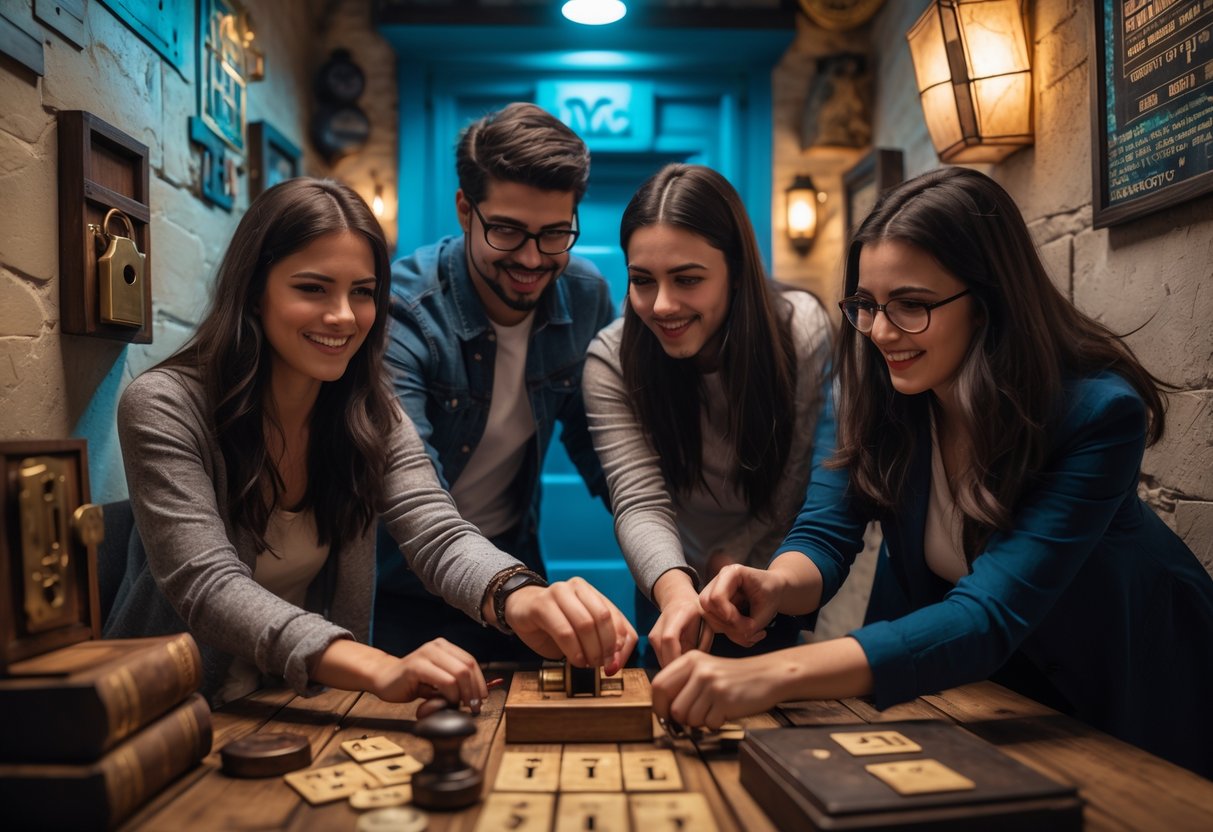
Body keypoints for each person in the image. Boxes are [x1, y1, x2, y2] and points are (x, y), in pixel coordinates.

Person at [651, 166, 1213, 778]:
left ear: (988, 301)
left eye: (912, 305)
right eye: (866, 305)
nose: (883, 332)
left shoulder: (1097, 415)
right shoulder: (887, 389)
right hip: (985, 695)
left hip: (1122, 683)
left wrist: (768, 674)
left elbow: (989, 614)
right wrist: (774, 584)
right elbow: (825, 530)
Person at [104, 178, 635, 710]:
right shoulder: (163, 406)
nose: (342, 315)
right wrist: (377, 664)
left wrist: (517, 596)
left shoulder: (371, 411)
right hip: (170, 713)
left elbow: (436, 530)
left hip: (297, 706)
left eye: (362, 292)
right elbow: (208, 584)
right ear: (254, 291)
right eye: (312, 288)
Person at [373, 103, 616, 662]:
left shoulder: (585, 296)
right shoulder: (404, 312)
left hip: (514, 567)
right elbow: (411, 494)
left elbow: (604, 447)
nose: (532, 258)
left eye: (556, 234)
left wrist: (675, 558)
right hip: (400, 579)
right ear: (465, 209)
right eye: (507, 231)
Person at [582, 164, 834, 668]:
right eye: (642, 281)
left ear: (736, 271)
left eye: (688, 279)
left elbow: (794, 482)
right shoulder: (611, 359)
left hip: (768, 572)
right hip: (667, 574)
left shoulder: (802, 330)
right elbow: (638, 500)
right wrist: (678, 591)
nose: (662, 304)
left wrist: (735, 559)